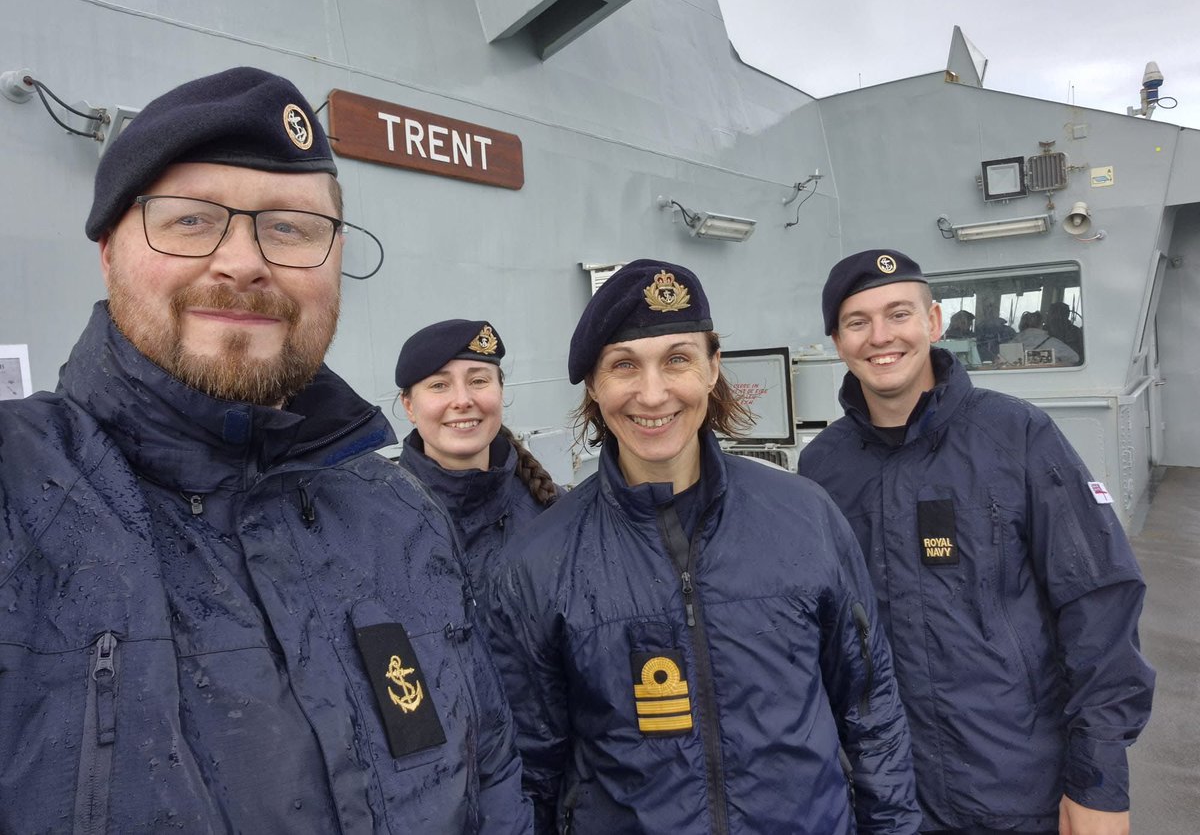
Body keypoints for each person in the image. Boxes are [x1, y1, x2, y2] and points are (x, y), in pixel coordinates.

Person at [0, 68, 531, 833]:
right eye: (189, 220)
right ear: (109, 249)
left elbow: (494, 775)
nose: (245, 261)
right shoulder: (22, 494)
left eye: (290, 227)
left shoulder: (401, 515)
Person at [488, 259, 921, 833]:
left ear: (713, 368)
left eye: (677, 360)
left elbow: (871, 710)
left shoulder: (804, 516)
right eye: (623, 365)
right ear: (594, 385)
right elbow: (529, 772)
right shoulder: (539, 563)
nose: (652, 392)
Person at [798, 249, 1154, 835]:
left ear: (933, 323)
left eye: (899, 314)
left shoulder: (1017, 436)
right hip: (881, 797)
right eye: (857, 322)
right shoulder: (822, 469)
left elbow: (1100, 604)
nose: (880, 337)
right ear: (837, 341)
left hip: (1016, 787)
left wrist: (1099, 781)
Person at [394, 318, 561, 598]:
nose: (462, 400)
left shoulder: (553, 511)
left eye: (478, 381)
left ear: (500, 392)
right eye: (438, 385)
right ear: (409, 407)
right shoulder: (378, 522)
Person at [1016, 310, 1081, 365]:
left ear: (1021, 324)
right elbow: (1074, 358)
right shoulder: (1053, 342)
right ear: (1041, 324)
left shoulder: (1012, 343)